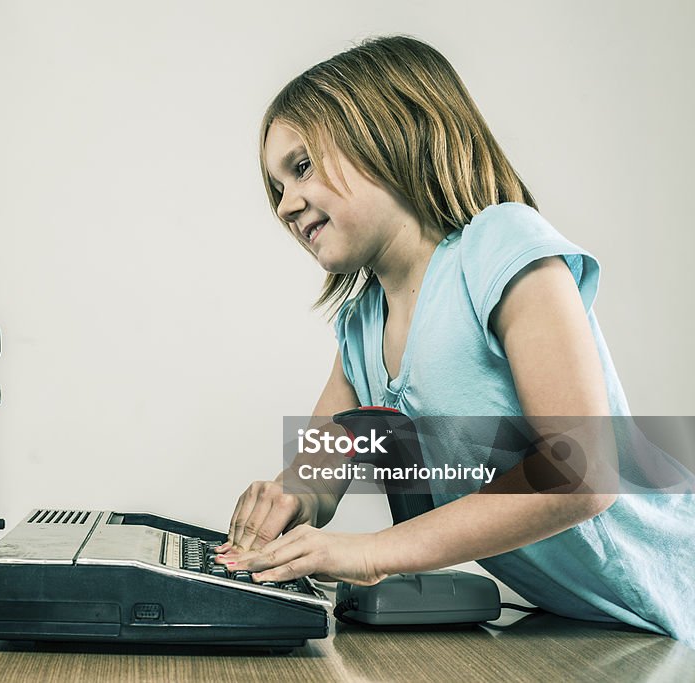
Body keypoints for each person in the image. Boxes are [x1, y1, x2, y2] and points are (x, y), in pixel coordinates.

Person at [214, 35, 694, 645]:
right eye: (276, 186)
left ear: (393, 132)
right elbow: (317, 472)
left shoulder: (499, 247)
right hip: (596, 630)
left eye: (301, 166)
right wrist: (286, 500)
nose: (285, 204)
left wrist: (372, 551)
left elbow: (581, 473)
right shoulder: (361, 326)